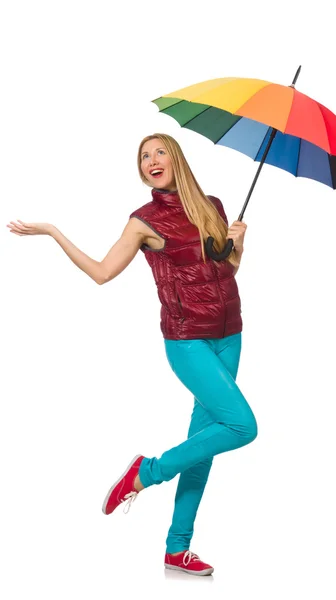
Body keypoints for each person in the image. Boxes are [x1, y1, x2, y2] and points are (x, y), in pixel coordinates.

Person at [6, 133, 257, 577]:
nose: (151, 160)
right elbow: (102, 273)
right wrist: (52, 231)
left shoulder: (213, 206)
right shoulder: (144, 221)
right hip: (187, 340)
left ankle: (177, 549)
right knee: (241, 426)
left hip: (230, 334)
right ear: (141, 170)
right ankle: (146, 471)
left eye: (159, 152)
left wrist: (239, 243)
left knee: (204, 448)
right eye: (144, 156)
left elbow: (226, 269)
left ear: (176, 159)